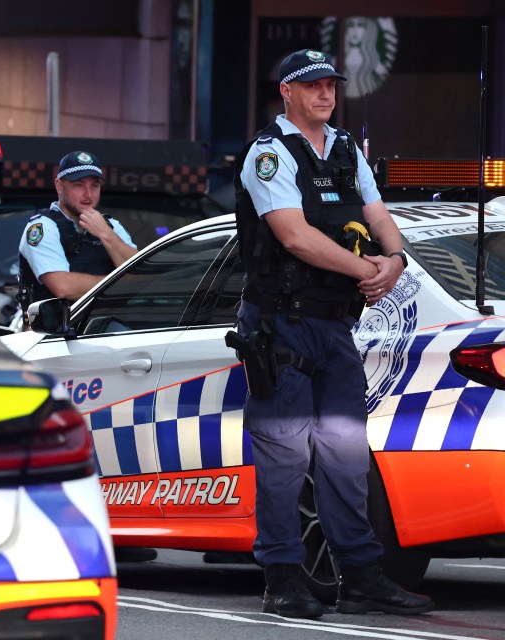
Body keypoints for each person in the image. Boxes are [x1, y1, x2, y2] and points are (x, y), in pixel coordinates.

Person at [232, 49, 434, 619]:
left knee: (347, 457)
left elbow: (378, 215)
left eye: (331, 86)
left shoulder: (346, 149)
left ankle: (363, 575)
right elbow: (293, 236)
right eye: (312, 86)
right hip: (279, 325)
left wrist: (395, 257)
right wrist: (370, 271)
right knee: (284, 457)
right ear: (287, 93)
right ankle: (281, 578)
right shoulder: (270, 154)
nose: (325, 94)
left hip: (336, 324)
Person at [17, 150, 137, 316]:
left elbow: (139, 273)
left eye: (95, 185)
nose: (88, 194)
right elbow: (63, 287)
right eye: (79, 185)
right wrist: (121, 285)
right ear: (59, 186)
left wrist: (105, 234)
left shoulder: (110, 226)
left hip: (106, 328)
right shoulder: (43, 227)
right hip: (56, 335)